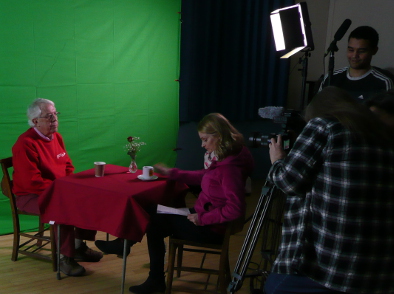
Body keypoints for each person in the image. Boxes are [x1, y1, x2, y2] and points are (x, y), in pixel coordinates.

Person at [95, 113, 254, 294]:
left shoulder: (229, 168)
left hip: (210, 228)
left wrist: (202, 218)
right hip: (204, 215)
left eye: (205, 139)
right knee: (151, 212)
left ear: (219, 135)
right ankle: (126, 248)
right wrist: (173, 173)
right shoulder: (226, 156)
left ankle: (149, 273)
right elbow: (204, 175)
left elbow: (235, 209)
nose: (202, 145)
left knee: (152, 222)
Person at [264, 86, 394, 294]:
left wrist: (278, 160)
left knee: (274, 287)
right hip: (379, 274)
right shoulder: (385, 139)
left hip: (328, 270)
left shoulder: (324, 126)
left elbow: (288, 182)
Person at [12, 98, 103, 277]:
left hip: (58, 190)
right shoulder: (25, 144)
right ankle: (65, 258)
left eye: (55, 114)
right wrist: (62, 190)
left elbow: (68, 165)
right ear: (35, 121)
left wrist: (69, 187)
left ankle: (78, 247)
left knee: (86, 196)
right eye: (49, 116)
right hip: (30, 195)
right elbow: (32, 182)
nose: (54, 119)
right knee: (64, 207)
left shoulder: (57, 137)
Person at [319, 26, 393, 101]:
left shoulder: (383, 83)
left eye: (361, 51)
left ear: (374, 51)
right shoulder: (331, 78)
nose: (354, 55)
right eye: (351, 50)